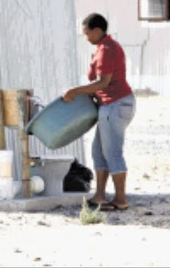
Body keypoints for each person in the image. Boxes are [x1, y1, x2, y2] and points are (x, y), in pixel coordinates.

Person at [62, 13, 135, 211]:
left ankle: (120, 199)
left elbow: (103, 82)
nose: (86, 38)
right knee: (98, 152)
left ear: (97, 30)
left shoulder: (106, 49)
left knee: (112, 152)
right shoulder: (104, 47)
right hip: (111, 104)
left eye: (87, 33)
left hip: (116, 104)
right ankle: (100, 196)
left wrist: (74, 91)